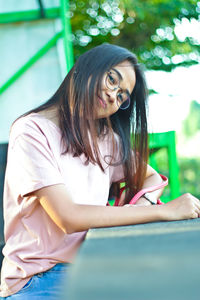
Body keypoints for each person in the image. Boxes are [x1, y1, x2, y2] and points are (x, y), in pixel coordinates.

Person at [0, 43, 199, 299]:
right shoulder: (31, 131)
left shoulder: (104, 138)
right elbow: (68, 217)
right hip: (38, 277)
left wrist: (144, 202)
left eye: (121, 97)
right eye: (112, 78)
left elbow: (148, 175)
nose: (112, 94)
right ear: (86, 67)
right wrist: (163, 210)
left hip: (92, 259)